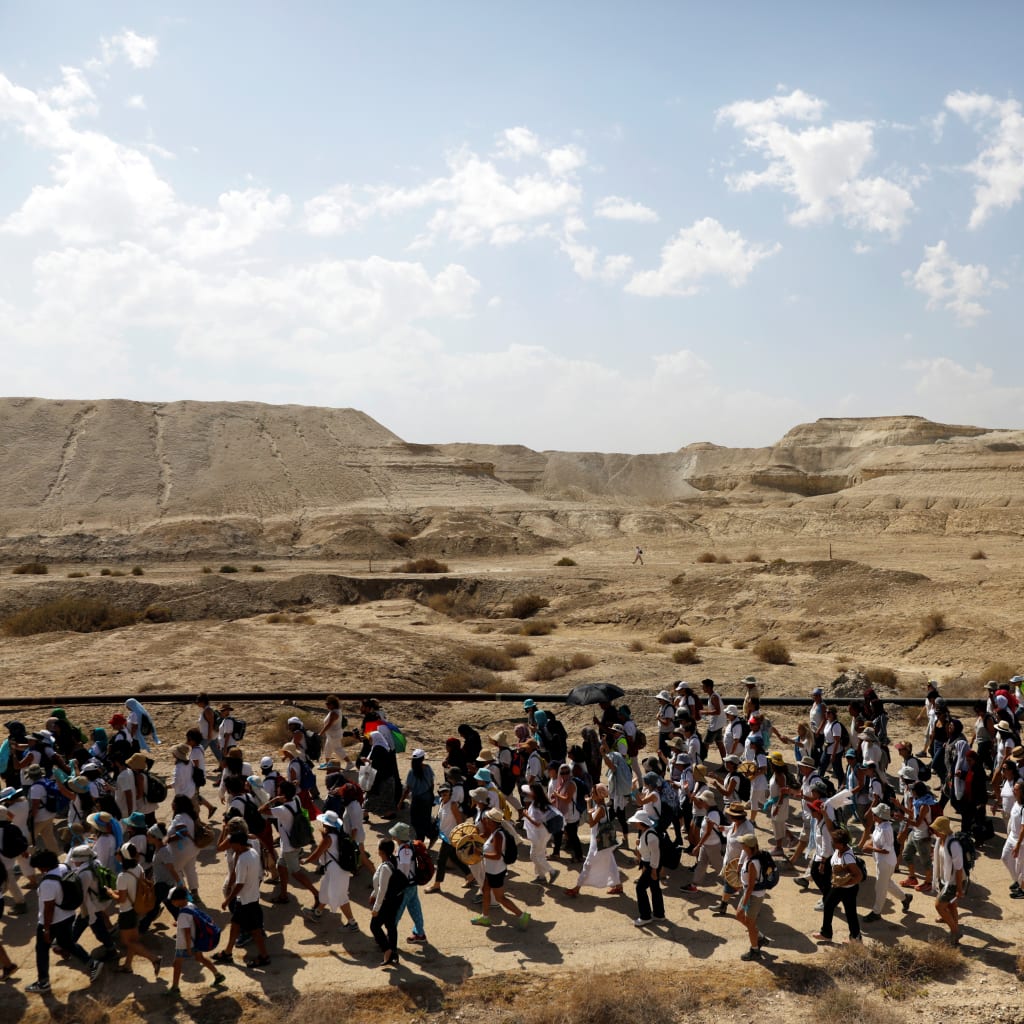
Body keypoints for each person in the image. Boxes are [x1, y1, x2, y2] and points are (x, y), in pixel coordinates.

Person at [26, 849, 104, 993]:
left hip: (52, 921)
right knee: (67, 943)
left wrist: (46, 929)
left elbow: (48, 908)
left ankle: (43, 982)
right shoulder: (64, 867)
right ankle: (93, 964)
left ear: (43, 866)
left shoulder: (47, 883)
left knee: (42, 950)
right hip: (68, 915)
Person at [213, 831, 271, 968]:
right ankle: (227, 952)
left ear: (238, 844)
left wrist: (228, 900)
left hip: (245, 901)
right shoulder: (252, 852)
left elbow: (240, 884)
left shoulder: (243, 858)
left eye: (231, 844)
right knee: (235, 925)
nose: (230, 847)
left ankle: (264, 956)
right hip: (252, 897)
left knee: (255, 931)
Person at [107, 842, 162, 977]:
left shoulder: (122, 876)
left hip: (127, 912)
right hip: (137, 908)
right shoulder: (139, 868)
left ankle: (154, 959)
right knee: (134, 941)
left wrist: (110, 892)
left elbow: (122, 899)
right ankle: (127, 966)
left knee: (127, 941)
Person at [471, 809, 530, 929]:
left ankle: (522, 915)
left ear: (492, 821)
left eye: (487, 818)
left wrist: (481, 854)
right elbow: (485, 839)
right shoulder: (494, 832)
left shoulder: (498, 835)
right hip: (491, 870)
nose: (485, 820)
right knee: (485, 890)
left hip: (495, 872)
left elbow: (497, 855)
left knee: (500, 898)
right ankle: (485, 917)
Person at [166, 885, 226, 998]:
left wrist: (188, 948)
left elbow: (187, 932)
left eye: (173, 901)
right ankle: (218, 975)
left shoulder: (183, 914)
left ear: (178, 900)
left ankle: (175, 987)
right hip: (197, 939)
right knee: (200, 958)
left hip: (184, 943)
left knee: (177, 964)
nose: (172, 903)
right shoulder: (190, 906)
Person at [302, 810, 358, 929]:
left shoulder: (328, 838)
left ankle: (352, 924)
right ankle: (317, 913)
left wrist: (305, 861)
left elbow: (317, 854)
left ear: (325, 824)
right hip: (336, 870)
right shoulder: (339, 834)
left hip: (335, 871)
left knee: (341, 897)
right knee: (326, 890)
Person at [566, 783, 622, 897]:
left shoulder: (601, 809)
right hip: (601, 840)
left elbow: (591, 823)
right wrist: (588, 802)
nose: (591, 794)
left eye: (593, 793)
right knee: (610, 862)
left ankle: (577, 888)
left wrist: (589, 808)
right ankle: (619, 886)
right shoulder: (599, 806)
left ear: (600, 796)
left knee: (588, 864)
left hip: (598, 842)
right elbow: (591, 813)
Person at [861, 804, 911, 922]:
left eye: (874, 814)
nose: (872, 815)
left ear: (880, 816)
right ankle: (905, 898)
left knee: (880, 888)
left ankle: (876, 912)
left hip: (886, 863)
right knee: (887, 884)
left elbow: (886, 850)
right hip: (881, 862)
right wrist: (868, 843)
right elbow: (874, 838)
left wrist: (871, 848)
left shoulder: (886, 830)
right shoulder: (879, 824)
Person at [813, 826, 862, 944]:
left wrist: (843, 883)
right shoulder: (838, 850)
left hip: (847, 889)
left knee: (847, 911)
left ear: (841, 843)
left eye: (834, 842)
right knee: (830, 906)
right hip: (840, 887)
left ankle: (853, 938)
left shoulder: (848, 857)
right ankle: (830, 934)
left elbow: (858, 876)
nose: (832, 843)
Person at [424, 782, 470, 893]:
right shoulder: (441, 802)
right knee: (453, 857)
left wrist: (460, 836)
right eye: (442, 792)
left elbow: (459, 820)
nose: (444, 794)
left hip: (451, 837)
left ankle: (437, 885)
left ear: (450, 793)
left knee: (440, 860)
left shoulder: (453, 805)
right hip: (444, 836)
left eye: (447, 792)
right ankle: (470, 875)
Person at [369, 839, 406, 967]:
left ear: (381, 851)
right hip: (396, 898)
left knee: (374, 926)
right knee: (390, 925)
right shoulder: (394, 860)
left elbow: (382, 889)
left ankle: (387, 951)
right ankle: (393, 952)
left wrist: (376, 908)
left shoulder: (385, 867)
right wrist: (373, 894)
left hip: (387, 901)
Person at [389, 822, 427, 944]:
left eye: (394, 834)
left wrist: (395, 884)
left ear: (398, 837)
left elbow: (404, 871)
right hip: (412, 884)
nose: (392, 836)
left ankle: (390, 937)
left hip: (405, 886)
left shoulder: (404, 850)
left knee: (396, 911)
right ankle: (420, 933)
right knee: (415, 908)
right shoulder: (407, 846)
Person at [735, 832, 770, 961]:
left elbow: (751, 886)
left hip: (753, 896)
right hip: (750, 893)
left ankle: (755, 950)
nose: (741, 844)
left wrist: (744, 903)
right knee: (739, 916)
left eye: (742, 843)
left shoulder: (752, 863)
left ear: (748, 846)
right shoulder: (751, 857)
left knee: (749, 923)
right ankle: (760, 937)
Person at [931, 815, 965, 945]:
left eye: (936, 829)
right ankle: (955, 934)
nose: (934, 831)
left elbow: (959, 868)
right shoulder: (941, 840)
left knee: (939, 906)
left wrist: (959, 890)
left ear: (942, 830)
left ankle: (955, 931)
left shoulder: (953, 844)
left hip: (953, 882)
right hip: (945, 879)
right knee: (951, 905)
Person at [630, 811, 664, 926]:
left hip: (651, 865)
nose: (635, 824)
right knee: (655, 888)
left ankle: (645, 916)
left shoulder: (650, 836)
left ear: (641, 823)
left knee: (640, 888)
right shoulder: (646, 833)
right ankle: (659, 914)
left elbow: (655, 854)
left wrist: (654, 870)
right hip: (649, 864)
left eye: (636, 822)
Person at [521, 783, 559, 886]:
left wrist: (526, 815)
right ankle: (541, 877)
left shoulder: (537, 804)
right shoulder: (541, 802)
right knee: (540, 855)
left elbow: (537, 823)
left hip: (539, 834)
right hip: (543, 833)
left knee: (534, 856)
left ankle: (552, 871)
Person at [400, 750, 436, 845]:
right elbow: (432, 783)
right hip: (427, 797)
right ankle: (427, 836)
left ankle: (421, 840)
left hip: (417, 799)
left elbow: (408, 788)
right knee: (425, 819)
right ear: (423, 758)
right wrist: (431, 795)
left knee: (415, 821)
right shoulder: (428, 768)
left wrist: (401, 801)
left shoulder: (412, 772)